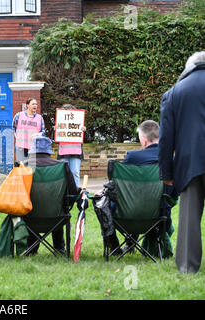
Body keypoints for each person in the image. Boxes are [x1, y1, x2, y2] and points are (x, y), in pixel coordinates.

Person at [159, 51, 205, 273]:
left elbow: (166, 138)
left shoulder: (175, 92)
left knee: (189, 218)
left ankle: (188, 266)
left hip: (190, 164)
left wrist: (166, 173)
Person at [103, 120, 177, 255]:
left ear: (143, 140)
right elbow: (173, 194)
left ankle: (115, 246)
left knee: (116, 202)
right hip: (160, 216)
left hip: (127, 214)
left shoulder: (133, 157)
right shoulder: (170, 159)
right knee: (141, 200)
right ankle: (132, 244)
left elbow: (122, 188)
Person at [24, 135, 80, 255]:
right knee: (58, 205)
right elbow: (73, 192)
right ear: (49, 151)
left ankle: (31, 248)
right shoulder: (61, 166)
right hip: (57, 218)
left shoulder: (23, 166)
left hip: (29, 217)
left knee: (34, 206)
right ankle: (59, 248)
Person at [57, 104, 86, 188]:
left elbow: (86, 139)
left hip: (76, 152)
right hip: (63, 153)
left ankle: (76, 192)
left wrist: (84, 131)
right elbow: (54, 139)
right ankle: (64, 193)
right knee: (63, 175)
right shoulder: (60, 124)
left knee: (75, 173)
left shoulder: (79, 124)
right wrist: (55, 130)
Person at [12, 98, 45, 163]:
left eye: (36, 104)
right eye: (33, 104)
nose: (35, 106)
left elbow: (43, 132)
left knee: (31, 169)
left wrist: (38, 134)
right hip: (20, 147)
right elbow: (13, 128)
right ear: (27, 105)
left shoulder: (39, 118)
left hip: (33, 148)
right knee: (21, 168)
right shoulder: (19, 115)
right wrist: (18, 137)